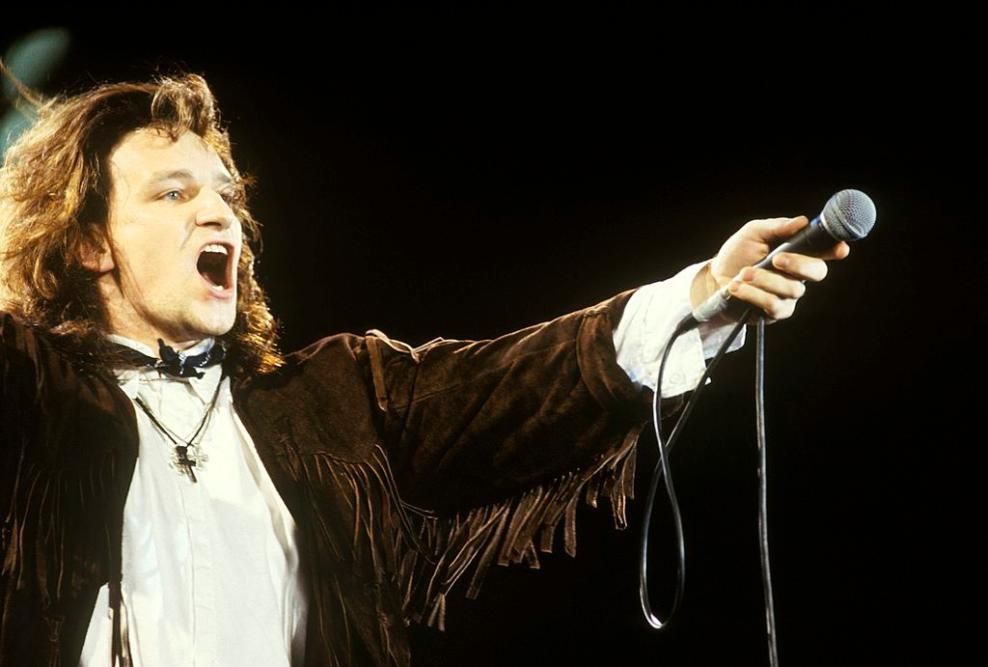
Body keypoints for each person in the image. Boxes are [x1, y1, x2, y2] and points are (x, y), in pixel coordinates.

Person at [0, 70, 848, 666]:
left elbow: (514, 383)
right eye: (173, 193)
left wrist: (702, 297)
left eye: (226, 193)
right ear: (88, 242)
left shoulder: (331, 401)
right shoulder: (32, 396)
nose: (220, 212)